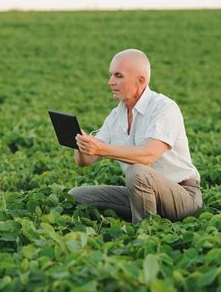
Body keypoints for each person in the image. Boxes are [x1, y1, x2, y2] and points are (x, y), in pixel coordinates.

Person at [68, 49, 202, 223]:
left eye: (118, 76)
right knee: (77, 195)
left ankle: (144, 231)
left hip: (183, 197)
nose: (110, 82)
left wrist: (101, 148)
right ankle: (144, 214)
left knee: (137, 171)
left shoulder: (164, 108)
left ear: (141, 80)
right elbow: (85, 161)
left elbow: (148, 155)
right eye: (111, 75)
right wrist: (80, 143)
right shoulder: (116, 115)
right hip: (142, 192)